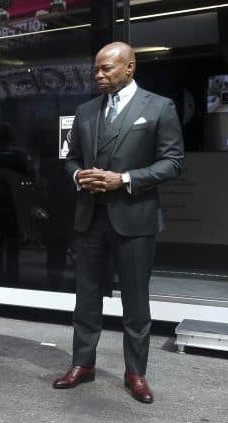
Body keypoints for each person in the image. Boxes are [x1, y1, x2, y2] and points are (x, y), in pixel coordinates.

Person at [52, 42, 185, 403]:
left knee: (136, 303)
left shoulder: (158, 107)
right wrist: (79, 175)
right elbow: (71, 159)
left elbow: (173, 162)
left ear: (130, 68)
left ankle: (136, 373)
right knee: (86, 298)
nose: (98, 75)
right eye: (96, 68)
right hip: (90, 217)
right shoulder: (85, 110)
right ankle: (83, 364)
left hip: (135, 218)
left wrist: (123, 179)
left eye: (107, 68)